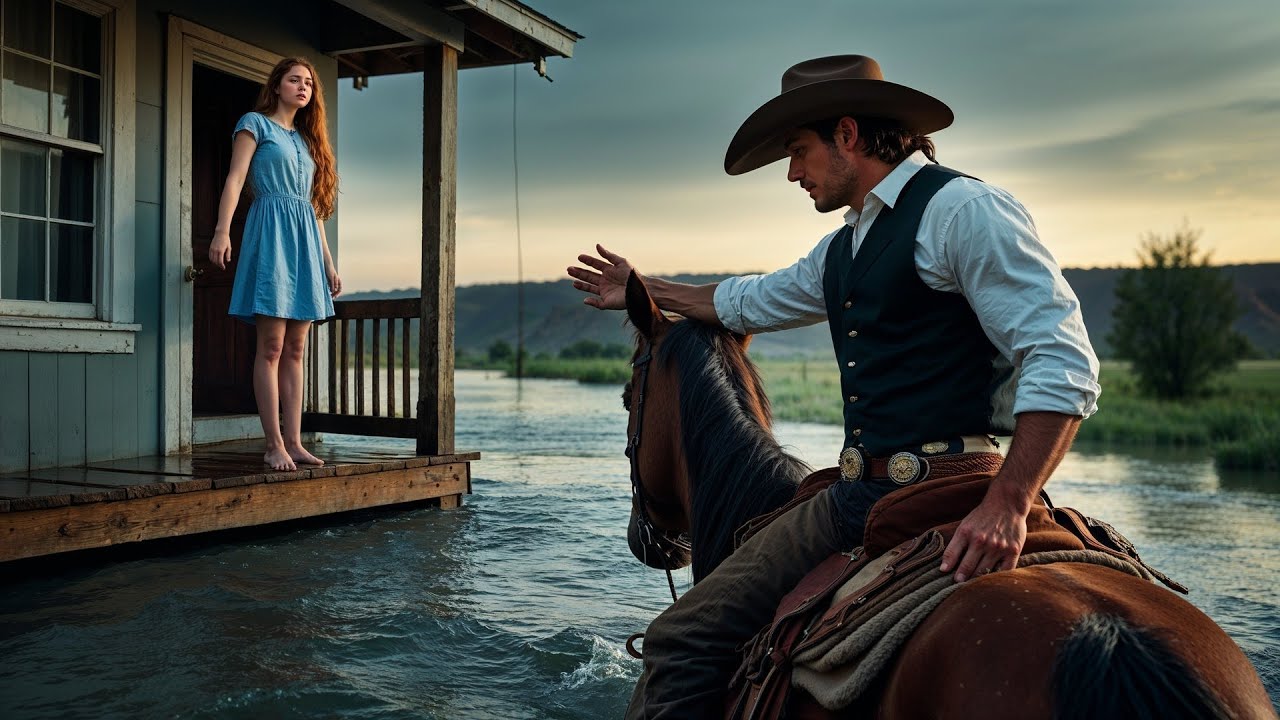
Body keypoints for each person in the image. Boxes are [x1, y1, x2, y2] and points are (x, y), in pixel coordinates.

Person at [566, 55, 1100, 717]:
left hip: (934, 487)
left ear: (846, 135)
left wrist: (1009, 502)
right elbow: (747, 301)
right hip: (862, 489)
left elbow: (1062, 356)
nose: (793, 173)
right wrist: (642, 289)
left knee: (679, 638)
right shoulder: (844, 246)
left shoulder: (964, 210)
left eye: (798, 151)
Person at [210, 57, 342, 472]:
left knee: (297, 349)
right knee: (271, 346)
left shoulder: (307, 141)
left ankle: (295, 442)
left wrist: (328, 263)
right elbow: (235, 179)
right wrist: (222, 231)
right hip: (270, 235)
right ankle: (273, 445)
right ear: (277, 85)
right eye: (294, 80)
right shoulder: (255, 124)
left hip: (304, 243)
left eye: (309, 83)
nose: (303, 87)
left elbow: (313, 209)